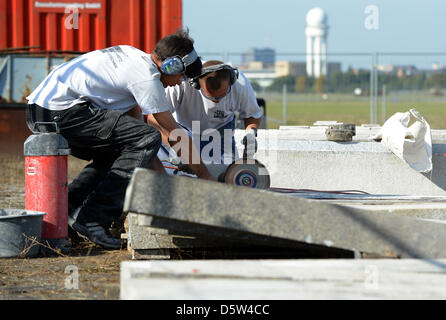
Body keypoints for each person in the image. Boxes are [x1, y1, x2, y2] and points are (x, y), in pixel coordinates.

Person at [25, 29, 213, 250]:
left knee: (120, 151)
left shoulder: (133, 58)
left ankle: (69, 211)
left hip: (43, 110)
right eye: (181, 75)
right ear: (171, 65)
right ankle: (93, 218)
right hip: (60, 111)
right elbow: (172, 133)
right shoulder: (146, 79)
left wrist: (159, 174)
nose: (179, 82)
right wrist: (204, 174)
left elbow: (135, 134)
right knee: (147, 138)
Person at [148, 60, 263, 166]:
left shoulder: (241, 85)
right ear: (196, 85)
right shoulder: (181, 84)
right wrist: (176, 147)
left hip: (221, 131)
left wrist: (251, 134)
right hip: (184, 131)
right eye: (212, 97)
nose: (217, 101)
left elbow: (253, 115)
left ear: (231, 82)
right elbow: (154, 118)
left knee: (226, 172)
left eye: (222, 95)